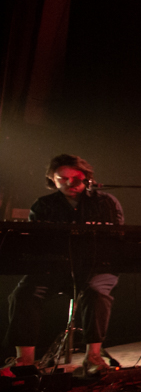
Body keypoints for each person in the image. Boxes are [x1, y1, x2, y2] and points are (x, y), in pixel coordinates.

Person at [5, 155, 123, 377]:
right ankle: (25, 361)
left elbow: (118, 239)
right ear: (52, 178)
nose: (70, 183)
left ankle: (93, 357)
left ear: (87, 179)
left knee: (97, 292)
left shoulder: (106, 202)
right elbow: (33, 243)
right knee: (24, 293)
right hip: (54, 269)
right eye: (62, 178)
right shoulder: (43, 205)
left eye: (76, 178)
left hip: (97, 268)